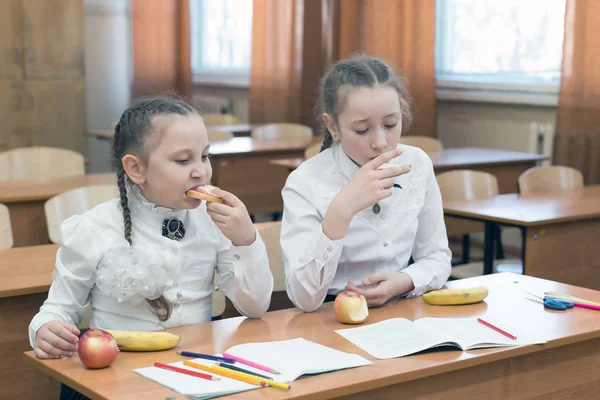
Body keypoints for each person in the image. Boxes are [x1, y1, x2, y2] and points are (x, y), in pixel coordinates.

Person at [29, 98, 273, 398]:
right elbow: (56, 310)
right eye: (183, 161)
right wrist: (45, 329)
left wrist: (245, 240)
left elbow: (255, 306)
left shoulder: (214, 221)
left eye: (205, 156)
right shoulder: (95, 228)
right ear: (136, 168)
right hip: (117, 379)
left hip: (198, 371)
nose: (201, 172)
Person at [281, 55, 451, 312]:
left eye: (391, 124)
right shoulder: (305, 182)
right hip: (329, 315)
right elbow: (303, 298)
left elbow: (438, 256)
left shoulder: (417, 164)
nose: (380, 142)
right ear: (333, 127)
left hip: (403, 307)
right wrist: (341, 211)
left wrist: (405, 280)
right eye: (362, 130)